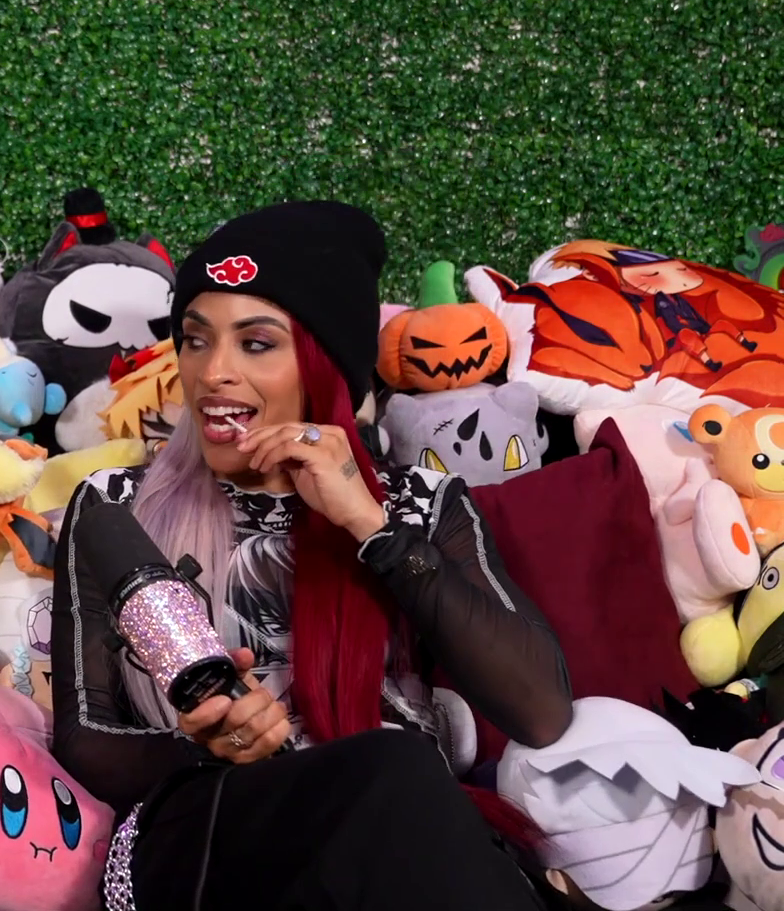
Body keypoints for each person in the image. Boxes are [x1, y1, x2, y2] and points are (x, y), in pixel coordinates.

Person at [49, 201, 573, 911]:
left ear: (323, 368)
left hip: (389, 842)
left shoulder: (418, 503)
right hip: (206, 834)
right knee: (393, 771)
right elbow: (84, 740)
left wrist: (369, 525)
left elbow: (541, 712)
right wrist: (203, 745)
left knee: (395, 784)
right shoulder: (115, 505)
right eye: (196, 340)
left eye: (256, 343)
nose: (213, 372)